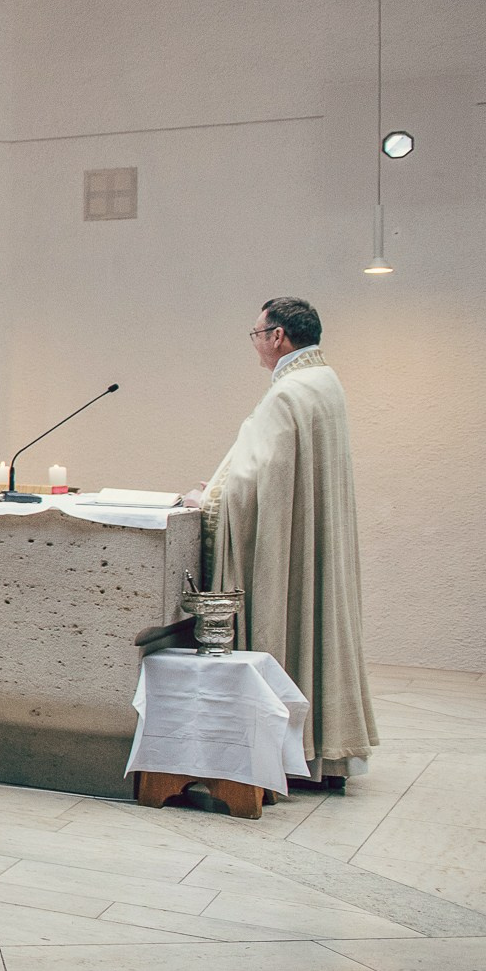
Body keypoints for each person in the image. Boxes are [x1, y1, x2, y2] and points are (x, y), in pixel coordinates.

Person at [186, 297, 372, 780]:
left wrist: (209, 499)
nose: (255, 344)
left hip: (287, 544)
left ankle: (275, 752)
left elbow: (254, 479)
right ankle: (320, 749)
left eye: (256, 334)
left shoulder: (290, 392)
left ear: (277, 336)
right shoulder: (323, 381)